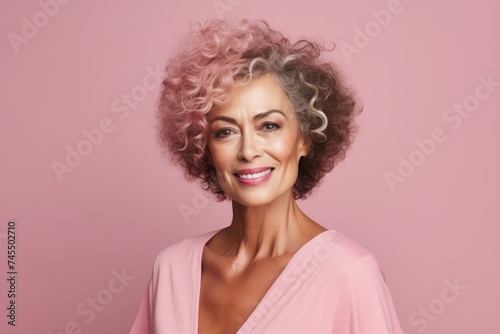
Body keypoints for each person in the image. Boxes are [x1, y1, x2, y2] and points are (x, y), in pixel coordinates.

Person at [130, 18, 403, 334]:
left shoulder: (349, 274)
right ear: (204, 147)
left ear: (305, 138)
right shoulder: (171, 270)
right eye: (226, 131)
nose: (248, 150)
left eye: (269, 126)